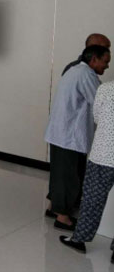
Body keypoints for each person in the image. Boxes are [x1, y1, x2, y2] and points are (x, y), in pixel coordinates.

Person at [45, 45, 111, 230]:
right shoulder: (86, 75)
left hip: (60, 133)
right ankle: (63, 218)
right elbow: (100, 103)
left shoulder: (74, 70)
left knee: (59, 175)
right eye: (105, 61)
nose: (107, 66)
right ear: (94, 59)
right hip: (70, 136)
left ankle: (53, 209)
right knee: (69, 177)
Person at [60, 80, 114, 263]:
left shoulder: (106, 88)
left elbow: (97, 116)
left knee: (92, 199)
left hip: (103, 155)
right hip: (104, 155)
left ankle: (79, 239)